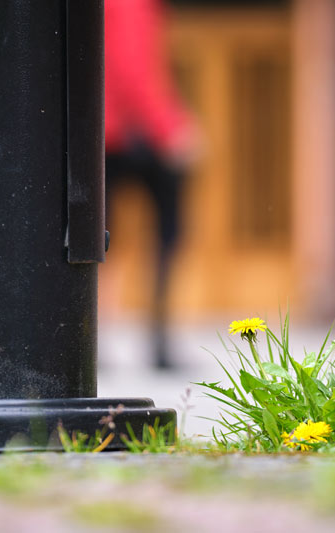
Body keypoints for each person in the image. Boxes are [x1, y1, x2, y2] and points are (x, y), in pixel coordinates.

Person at [104, 0, 200, 369]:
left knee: (98, 237)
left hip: (104, 132)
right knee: (167, 233)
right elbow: (132, 70)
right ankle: (159, 339)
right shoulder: (134, 5)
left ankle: (97, 340)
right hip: (130, 134)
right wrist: (172, 128)